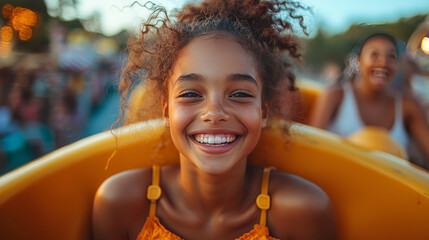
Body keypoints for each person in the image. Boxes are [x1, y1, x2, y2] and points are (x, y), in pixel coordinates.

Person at [92, 1, 337, 239]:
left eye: (239, 94)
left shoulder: (305, 211)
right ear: (166, 112)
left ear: (263, 112)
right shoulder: (119, 203)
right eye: (190, 94)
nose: (214, 112)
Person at [309, 33, 429, 168]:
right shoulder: (335, 95)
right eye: (374, 55)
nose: (383, 62)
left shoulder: (409, 105)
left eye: (391, 57)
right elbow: (312, 150)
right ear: (359, 62)